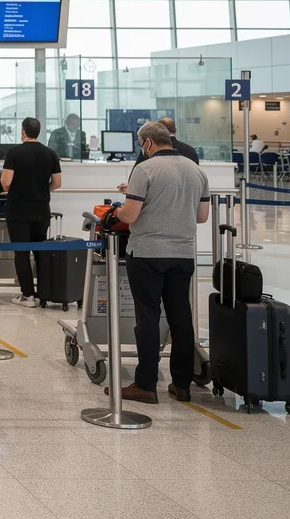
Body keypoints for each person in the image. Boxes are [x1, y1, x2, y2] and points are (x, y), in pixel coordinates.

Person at [113, 121, 210, 404]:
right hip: (182, 254)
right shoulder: (196, 170)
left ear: (147, 143)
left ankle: (145, 385)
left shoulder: (145, 169)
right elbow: (201, 216)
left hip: (147, 254)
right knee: (181, 319)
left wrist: (118, 210)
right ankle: (181, 384)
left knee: (148, 319)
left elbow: (130, 215)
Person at [0, 117, 63, 307]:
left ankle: (28, 295)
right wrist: (41, 191)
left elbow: (5, 183)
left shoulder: (14, 153)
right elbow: (57, 183)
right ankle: (44, 293)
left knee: (21, 253)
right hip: (41, 209)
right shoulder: (50, 153)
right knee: (40, 252)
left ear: (23, 131)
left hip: (18, 210)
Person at [120, 117, 197, 192]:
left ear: (158, 130)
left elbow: (135, 180)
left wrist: (131, 188)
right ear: (175, 130)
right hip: (188, 200)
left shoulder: (149, 149)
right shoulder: (191, 151)